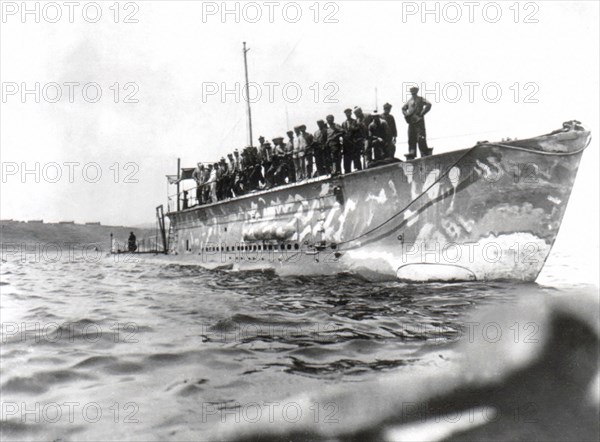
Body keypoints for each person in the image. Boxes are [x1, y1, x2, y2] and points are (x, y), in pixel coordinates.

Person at [402, 86, 433, 159]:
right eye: (412, 93)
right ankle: (412, 153)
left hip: (419, 122)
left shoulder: (421, 99)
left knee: (420, 138)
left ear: (417, 92)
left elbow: (429, 104)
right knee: (411, 138)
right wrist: (407, 115)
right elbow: (403, 108)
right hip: (411, 123)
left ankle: (424, 153)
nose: (413, 94)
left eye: (414, 93)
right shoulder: (409, 101)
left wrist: (422, 113)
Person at [341, 108, 363, 173]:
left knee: (357, 161)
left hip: (354, 144)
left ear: (351, 113)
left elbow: (358, 131)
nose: (348, 114)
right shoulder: (343, 123)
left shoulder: (355, 121)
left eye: (349, 113)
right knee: (347, 163)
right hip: (346, 146)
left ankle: (360, 173)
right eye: (346, 113)